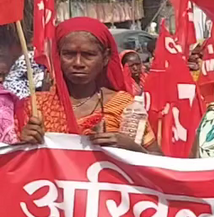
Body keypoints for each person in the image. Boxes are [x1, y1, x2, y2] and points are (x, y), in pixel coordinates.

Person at [18, 18, 157, 152]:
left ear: (105, 57)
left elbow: (158, 160)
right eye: (69, 54)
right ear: (57, 56)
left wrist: (131, 148)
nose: (78, 63)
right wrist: (23, 143)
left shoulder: (124, 106)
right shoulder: (36, 106)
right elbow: (13, 160)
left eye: (89, 55)